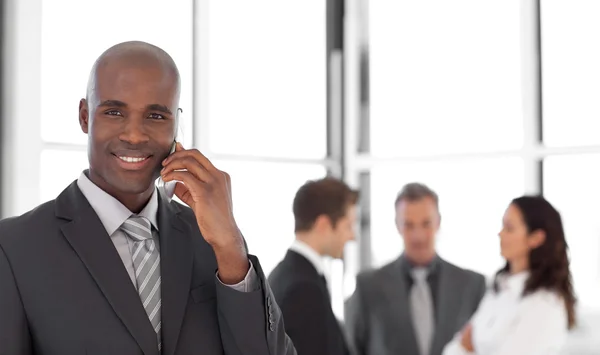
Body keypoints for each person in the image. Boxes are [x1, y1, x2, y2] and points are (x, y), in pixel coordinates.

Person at [0, 41, 295, 355]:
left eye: (155, 117)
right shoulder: (15, 247)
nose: (135, 135)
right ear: (85, 117)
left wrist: (230, 248)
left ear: (176, 124)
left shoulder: (213, 241)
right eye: (114, 112)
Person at [345, 183, 486, 355]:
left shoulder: (472, 285)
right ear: (397, 225)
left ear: (438, 222)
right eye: (408, 225)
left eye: (426, 224)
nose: (418, 236)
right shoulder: (368, 287)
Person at [442, 195, 576, 355]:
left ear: (536, 238)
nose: (501, 234)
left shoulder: (545, 303)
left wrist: (468, 349)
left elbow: (465, 345)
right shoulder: (499, 289)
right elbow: (455, 347)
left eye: (509, 228)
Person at [268, 177, 358, 355]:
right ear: (323, 225)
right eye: (348, 226)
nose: (352, 236)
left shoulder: (286, 274)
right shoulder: (303, 288)